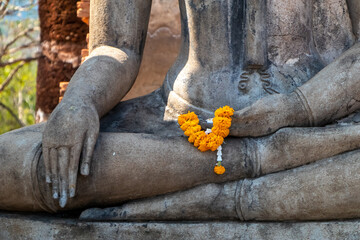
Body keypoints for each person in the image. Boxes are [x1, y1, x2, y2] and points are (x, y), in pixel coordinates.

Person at [1, 0, 360, 220]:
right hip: (183, 126)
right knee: (10, 164)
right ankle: (264, 161)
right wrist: (79, 102)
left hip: (329, 119)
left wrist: (296, 109)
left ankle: (216, 189)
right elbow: (115, 45)